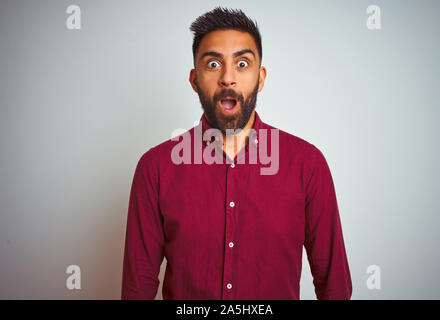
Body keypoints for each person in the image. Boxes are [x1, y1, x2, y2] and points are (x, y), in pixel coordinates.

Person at [121, 7, 352, 300]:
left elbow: (334, 286)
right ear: (194, 80)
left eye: (242, 63)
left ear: (261, 77)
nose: (228, 78)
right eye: (213, 64)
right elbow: (136, 288)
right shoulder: (154, 169)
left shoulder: (308, 165)